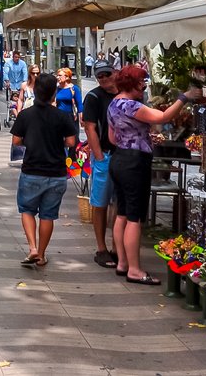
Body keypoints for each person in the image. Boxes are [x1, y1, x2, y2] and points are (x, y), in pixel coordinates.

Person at [107, 64, 192, 285]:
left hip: (119, 159)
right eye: (142, 82)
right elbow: (163, 117)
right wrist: (184, 98)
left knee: (122, 213)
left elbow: (113, 139)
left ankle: (122, 263)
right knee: (135, 217)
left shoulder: (113, 104)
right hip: (135, 163)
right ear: (133, 84)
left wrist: (139, 136)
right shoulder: (133, 106)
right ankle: (134, 270)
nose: (144, 86)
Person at [9, 72, 77, 268]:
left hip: (32, 170)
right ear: (53, 94)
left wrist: (30, 141)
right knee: (48, 215)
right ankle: (42, 254)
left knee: (28, 210)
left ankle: (32, 248)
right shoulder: (61, 116)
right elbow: (71, 141)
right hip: (56, 173)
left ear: (35, 91)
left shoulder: (26, 115)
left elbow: (16, 141)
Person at [82, 61, 118, 268]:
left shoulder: (126, 94)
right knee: (100, 202)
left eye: (106, 74)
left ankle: (117, 246)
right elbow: (90, 128)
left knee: (118, 202)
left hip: (122, 156)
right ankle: (101, 248)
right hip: (104, 155)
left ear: (114, 73)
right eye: (99, 76)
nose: (103, 78)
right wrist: (99, 156)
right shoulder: (94, 97)